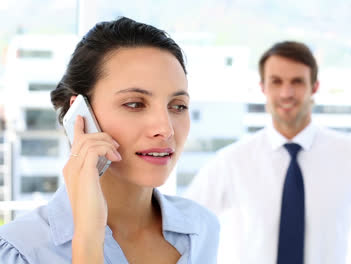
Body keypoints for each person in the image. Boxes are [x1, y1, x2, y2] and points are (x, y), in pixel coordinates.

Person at [0, 17, 219, 264]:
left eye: (178, 106)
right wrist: (88, 238)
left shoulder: (202, 229)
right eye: (135, 104)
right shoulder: (20, 251)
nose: (165, 129)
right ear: (81, 114)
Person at [185, 41, 351, 264]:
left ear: (314, 87)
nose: (286, 93)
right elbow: (185, 226)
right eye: (276, 82)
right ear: (263, 87)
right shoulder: (232, 161)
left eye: (297, 82)